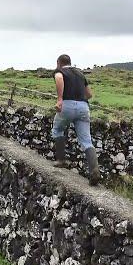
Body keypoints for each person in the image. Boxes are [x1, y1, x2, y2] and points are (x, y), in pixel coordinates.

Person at [51, 54, 101, 186]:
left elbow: (59, 78)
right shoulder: (80, 74)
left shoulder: (60, 71)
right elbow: (89, 94)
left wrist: (60, 99)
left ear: (59, 62)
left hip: (67, 105)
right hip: (84, 107)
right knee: (86, 140)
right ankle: (94, 170)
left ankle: (61, 160)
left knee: (57, 130)